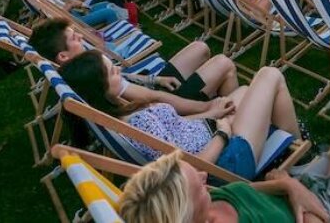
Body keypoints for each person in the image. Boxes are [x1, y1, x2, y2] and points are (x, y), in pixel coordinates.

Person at [117, 97, 330, 222]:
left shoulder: (211, 202)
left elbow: (261, 186)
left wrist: (288, 185)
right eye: (198, 185)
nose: (205, 177)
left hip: (307, 190)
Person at [61, 51, 301, 180]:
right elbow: (191, 167)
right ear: (100, 88)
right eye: (114, 72)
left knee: (244, 92)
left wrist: (210, 112)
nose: (120, 71)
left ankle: (283, 141)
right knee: (269, 75)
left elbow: (171, 130)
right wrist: (223, 133)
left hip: (210, 136)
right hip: (224, 166)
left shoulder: (118, 113)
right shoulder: (137, 123)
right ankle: (299, 155)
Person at [30, 20, 239, 101]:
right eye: (74, 38)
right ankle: (231, 113)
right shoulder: (95, 77)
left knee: (200, 48)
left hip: (155, 90)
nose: (81, 37)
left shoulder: (81, 69)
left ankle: (213, 90)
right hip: (168, 107)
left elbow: (127, 78)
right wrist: (208, 110)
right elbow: (154, 99)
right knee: (224, 63)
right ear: (63, 56)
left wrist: (156, 80)